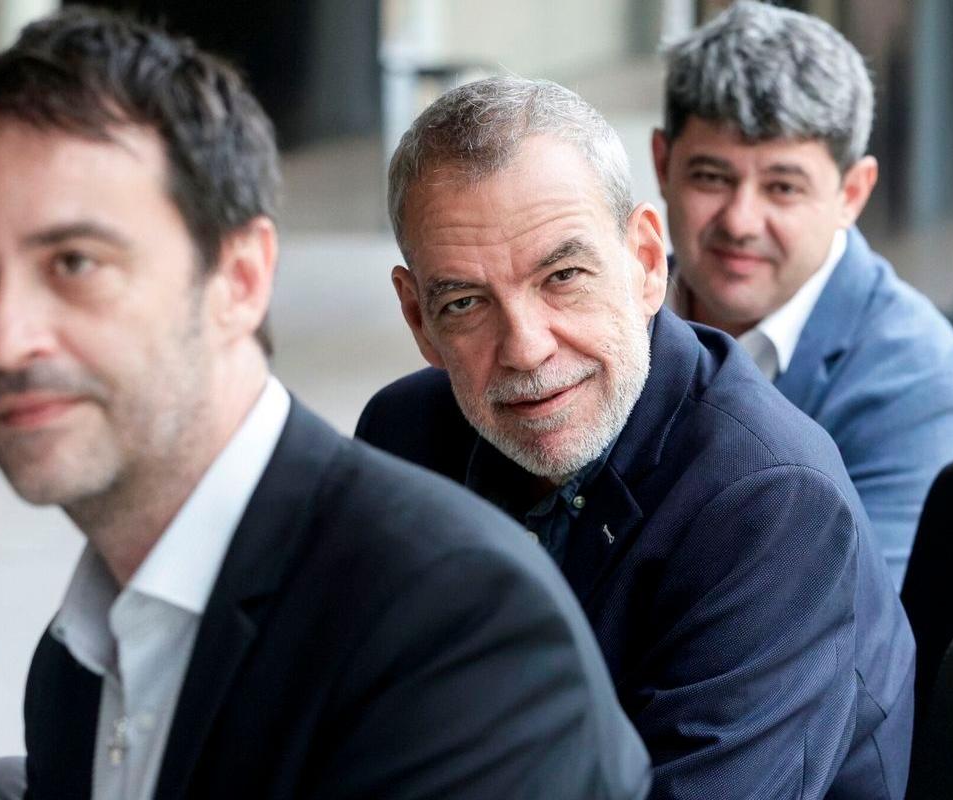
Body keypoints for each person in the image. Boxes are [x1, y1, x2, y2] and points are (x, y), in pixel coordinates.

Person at [0, 9, 652, 800]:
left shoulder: (453, 625)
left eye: (74, 262)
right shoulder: (78, 659)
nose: (4, 339)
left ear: (239, 280)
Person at [357, 75, 915, 799]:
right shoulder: (402, 436)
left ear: (647, 263)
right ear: (419, 319)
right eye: (465, 303)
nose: (526, 348)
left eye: (563, 276)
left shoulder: (772, 503)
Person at [652, 0, 953, 587]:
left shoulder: (925, 387)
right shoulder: (599, 320)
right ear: (662, 164)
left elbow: (850, 620)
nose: (740, 221)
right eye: (711, 177)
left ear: (852, 194)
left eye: (783, 187)